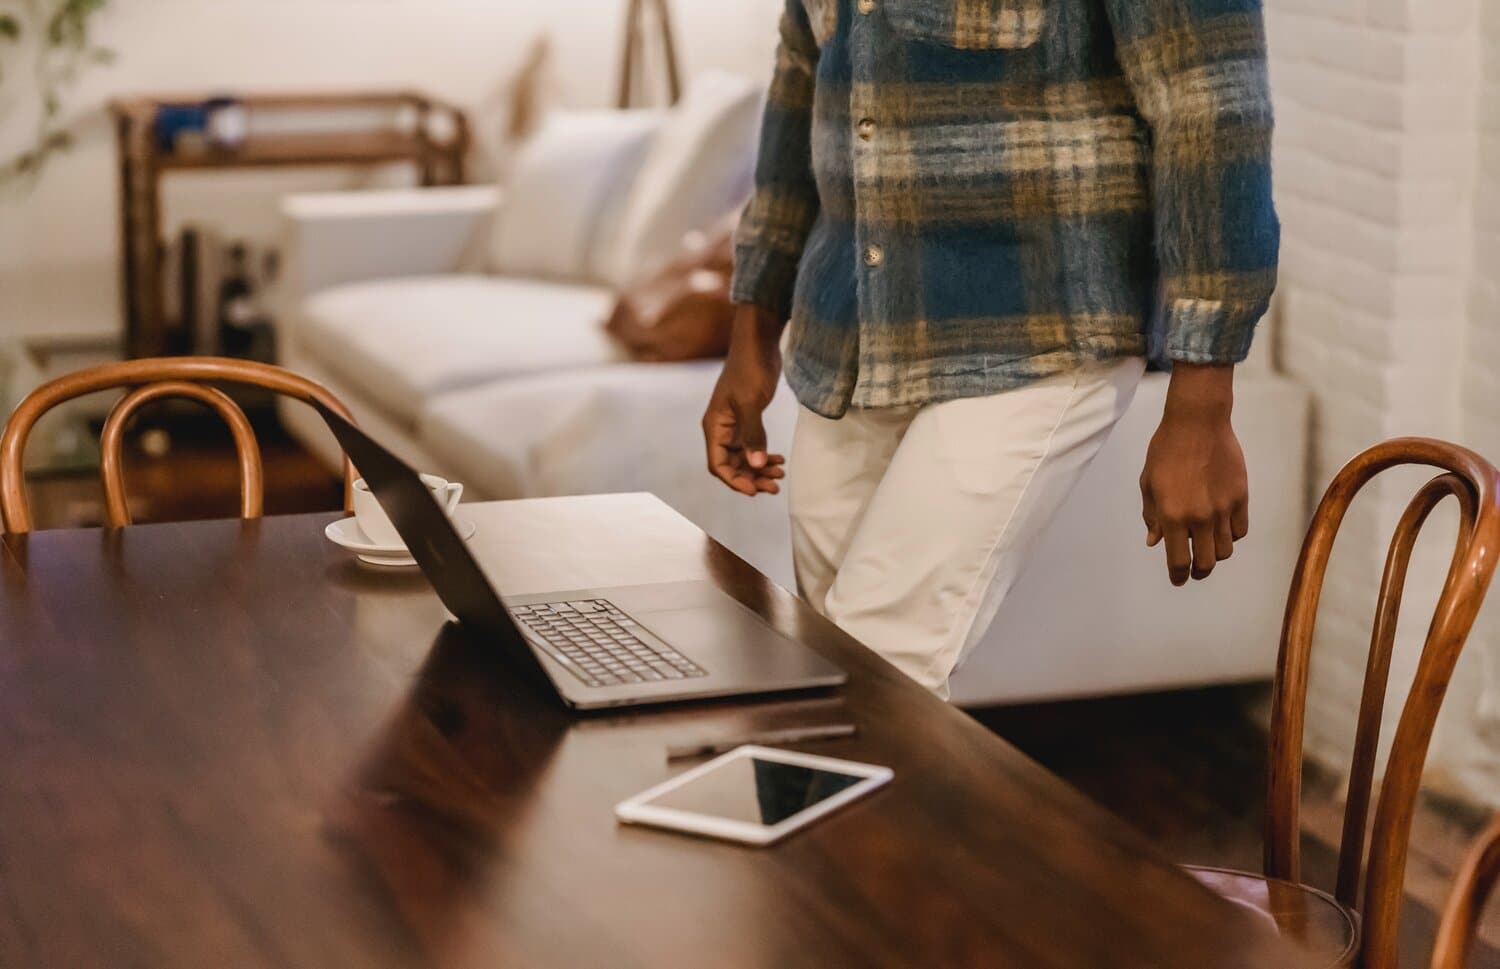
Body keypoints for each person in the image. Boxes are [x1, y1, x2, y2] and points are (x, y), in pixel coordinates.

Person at [702, 0, 1279, 697]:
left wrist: (1203, 402)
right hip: (849, 332)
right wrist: (753, 326)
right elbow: (802, 76)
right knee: (826, 660)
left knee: (883, 662)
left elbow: (1212, 105)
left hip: (1039, 322)